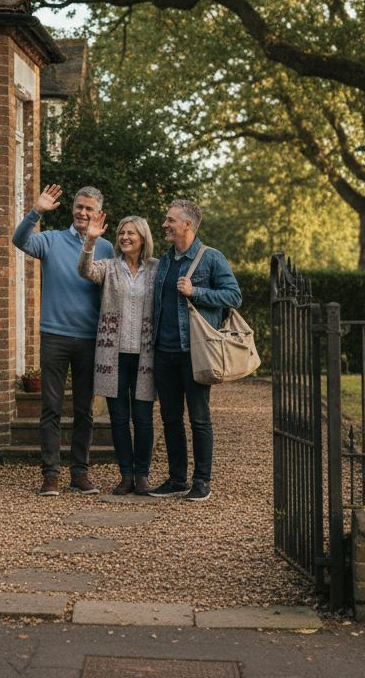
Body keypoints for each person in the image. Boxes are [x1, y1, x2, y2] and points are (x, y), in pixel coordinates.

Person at [12, 184, 114, 496]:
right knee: (51, 407)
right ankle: (51, 474)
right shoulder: (51, 240)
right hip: (54, 335)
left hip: (89, 338)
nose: (83, 213)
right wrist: (37, 211)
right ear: (72, 209)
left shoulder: (107, 248)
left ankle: (79, 473)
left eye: (89, 209)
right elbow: (19, 240)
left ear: (99, 214)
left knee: (84, 410)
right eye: (79, 207)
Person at [147, 199, 242, 502]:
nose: (165, 224)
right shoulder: (164, 261)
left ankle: (202, 481)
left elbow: (233, 295)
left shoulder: (211, 258)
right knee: (170, 417)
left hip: (195, 351)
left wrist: (195, 292)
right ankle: (176, 479)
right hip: (163, 352)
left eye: (170, 220)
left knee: (199, 417)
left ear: (187, 224)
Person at [77, 211, 159, 496]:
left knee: (143, 416)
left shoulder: (156, 268)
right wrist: (90, 241)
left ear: (142, 238)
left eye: (130, 233)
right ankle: (126, 475)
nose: (124, 237)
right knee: (119, 417)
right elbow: (85, 270)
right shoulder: (109, 267)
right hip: (113, 355)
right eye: (121, 233)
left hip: (145, 355)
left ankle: (143, 475)